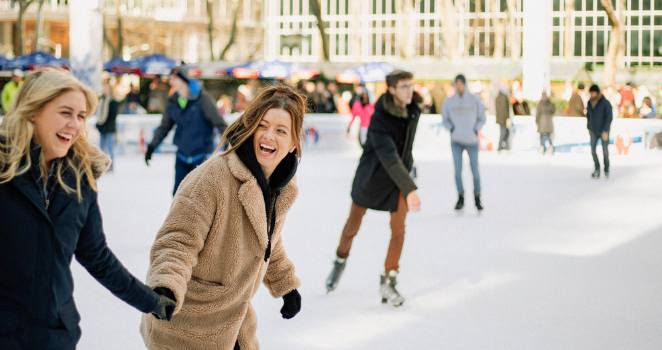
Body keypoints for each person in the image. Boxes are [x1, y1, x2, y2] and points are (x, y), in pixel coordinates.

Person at [0, 70, 174, 350]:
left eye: (81, 116)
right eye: (65, 112)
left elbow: (97, 256)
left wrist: (153, 302)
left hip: (54, 336)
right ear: (34, 110)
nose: (74, 124)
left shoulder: (79, 178)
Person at [141, 85, 305, 350]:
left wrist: (285, 283)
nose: (268, 136)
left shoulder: (278, 187)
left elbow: (266, 239)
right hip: (187, 324)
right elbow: (178, 241)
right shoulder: (212, 179)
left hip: (234, 323)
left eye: (281, 130)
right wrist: (165, 286)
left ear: (293, 142)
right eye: (262, 125)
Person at [325, 70, 423, 308]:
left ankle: (389, 280)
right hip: (371, 178)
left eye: (410, 85)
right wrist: (410, 188)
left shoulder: (413, 110)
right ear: (391, 89)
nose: (409, 90)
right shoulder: (379, 119)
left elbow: (404, 150)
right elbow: (388, 157)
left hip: (397, 180)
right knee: (352, 227)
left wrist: (408, 175)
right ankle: (340, 260)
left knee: (398, 229)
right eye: (403, 86)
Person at [145, 66, 227, 194]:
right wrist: (152, 146)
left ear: (183, 80)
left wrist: (229, 145)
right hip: (182, 156)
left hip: (202, 158)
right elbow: (164, 127)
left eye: (174, 78)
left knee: (200, 198)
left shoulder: (203, 99)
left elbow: (220, 124)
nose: (171, 81)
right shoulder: (174, 101)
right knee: (178, 196)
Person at [442, 74, 485, 211]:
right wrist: (452, 128)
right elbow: (445, 119)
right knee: (457, 171)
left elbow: (482, 118)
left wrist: (475, 129)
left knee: (475, 171)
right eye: (457, 84)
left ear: (465, 84)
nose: (459, 86)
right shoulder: (449, 102)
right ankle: (460, 196)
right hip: (456, 141)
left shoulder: (474, 100)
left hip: (471, 141)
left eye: (461, 84)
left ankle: (477, 197)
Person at [586, 84, 613, 179]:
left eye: (593, 93)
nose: (592, 94)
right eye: (591, 93)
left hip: (603, 131)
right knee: (593, 150)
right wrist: (588, 126)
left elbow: (609, 117)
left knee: (605, 150)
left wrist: (605, 130)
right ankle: (597, 168)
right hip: (593, 130)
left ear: (597, 93)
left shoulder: (605, 103)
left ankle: (606, 169)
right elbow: (588, 115)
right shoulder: (589, 102)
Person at [96, 82, 120, 171]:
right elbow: (99, 114)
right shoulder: (101, 100)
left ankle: (111, 166)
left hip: (109, 128)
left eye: (106, 88)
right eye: (103, 88)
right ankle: (102, 165)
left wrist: (104, 123)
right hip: (102, 128)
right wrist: (99, 124)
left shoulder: (113, 102)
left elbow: (113, 116)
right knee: (101, 149)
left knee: (110, 148)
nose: (104, 90)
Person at [494, 86, 512, 151]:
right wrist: (507, 118)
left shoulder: (497, 97)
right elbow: (505, 109)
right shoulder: (504, 97)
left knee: (505, 132)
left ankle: (506, 146)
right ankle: (501, 146)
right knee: (504, 132)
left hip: (500, 118)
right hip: (504, 119)